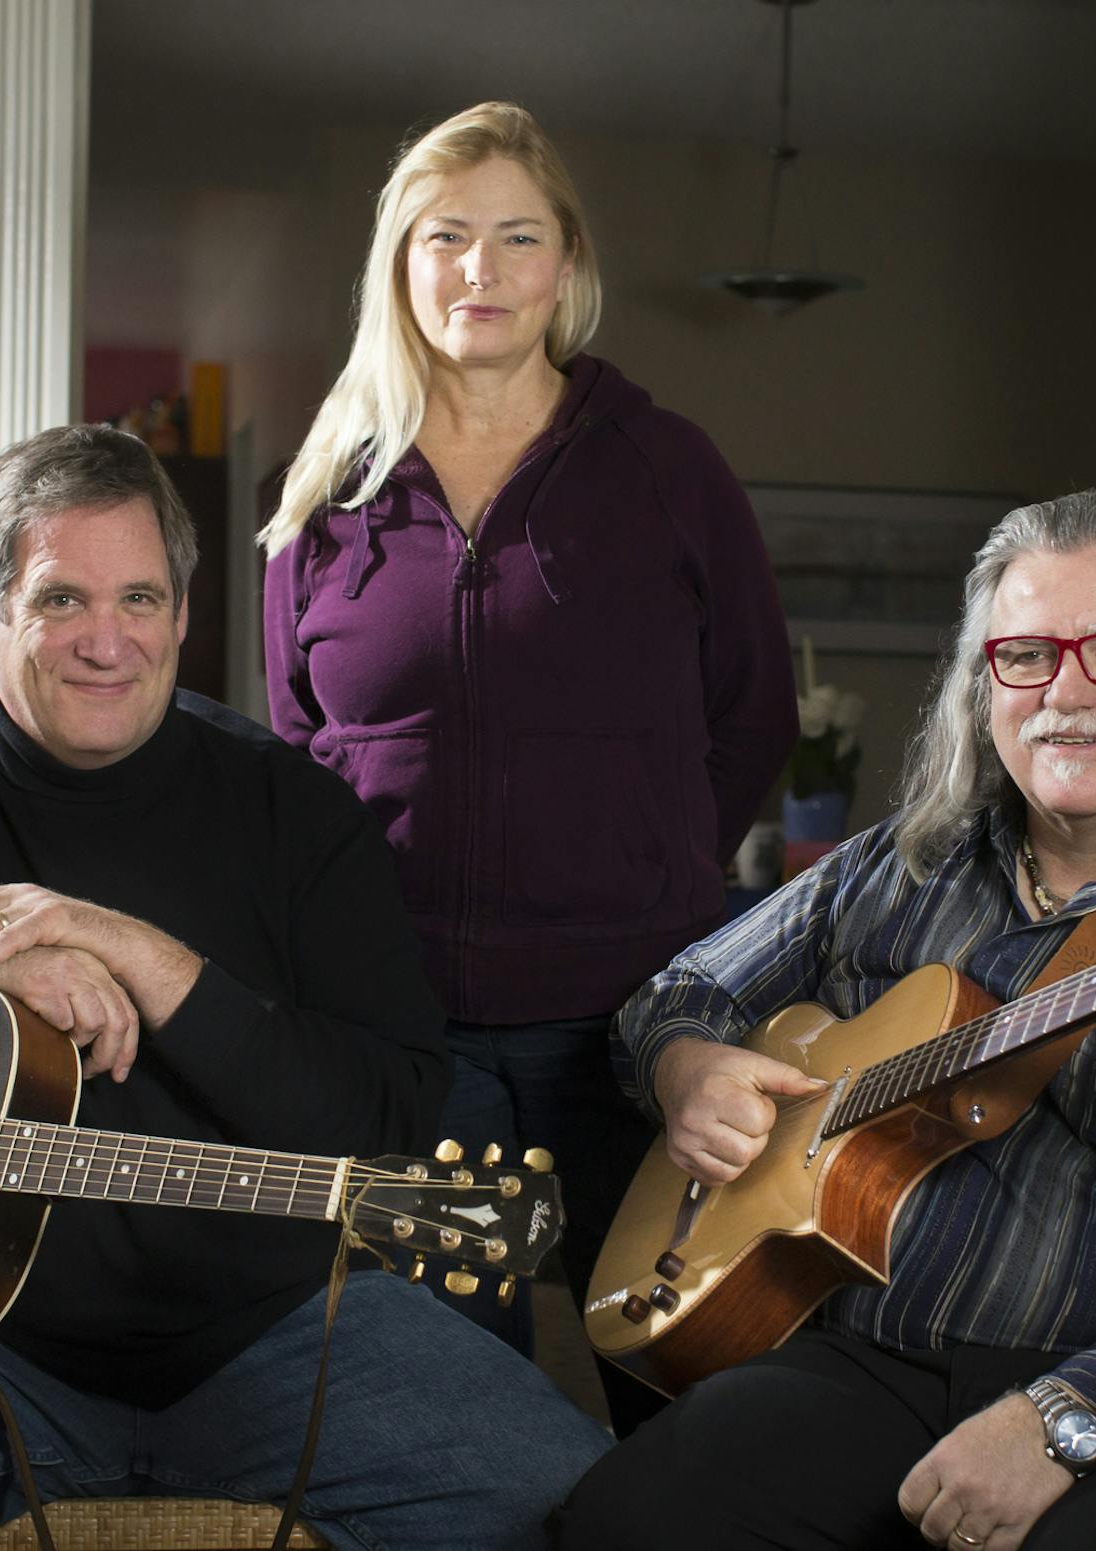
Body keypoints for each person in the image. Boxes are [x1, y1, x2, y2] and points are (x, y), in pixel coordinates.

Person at [0, 424, 610, 1550]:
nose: (107, 641)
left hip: (272, 1336)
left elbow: (389, 1114)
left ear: (182, 611)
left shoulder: (296, 814)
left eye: (140, 598)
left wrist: (144, 957)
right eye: (61, 600)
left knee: (566, 1491)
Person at [553, 490, 1096, 1551]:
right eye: (1027, 655)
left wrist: (1064, 1419)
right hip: (871, 1366)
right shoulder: (897, 868)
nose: (1066, 692)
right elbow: (677, 994)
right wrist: (685, 1068)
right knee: (625, 1521)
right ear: (982, 685)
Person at [261, 101, 797, 1416]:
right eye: (446, 236)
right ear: (400, 263)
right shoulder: (328, 496)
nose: (480, 269)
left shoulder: (667, 468)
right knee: (449, 1412)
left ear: (567, 265)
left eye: (517, 236)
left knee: (679, 1395)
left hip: (634, 1029)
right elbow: (297, 757)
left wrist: (646, 867)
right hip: (406, 1032)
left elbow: (755, 713)